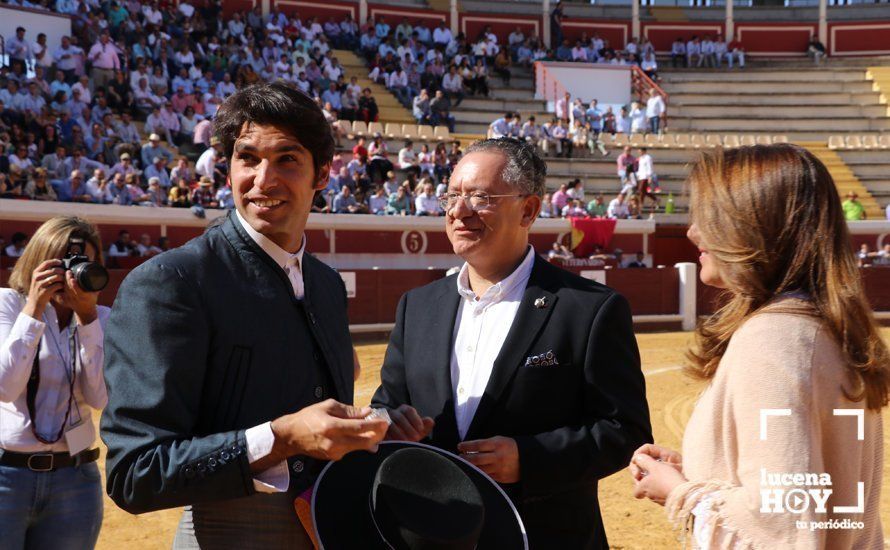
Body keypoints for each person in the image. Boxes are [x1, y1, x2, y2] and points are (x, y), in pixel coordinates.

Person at [100, 82, 389, 548]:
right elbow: (136, 472)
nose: (263, 179)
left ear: (322, 175)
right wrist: (281, 438)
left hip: (331, 525)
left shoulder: (327, 285)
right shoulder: (172, 282)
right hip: (226, 534)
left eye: (287, 159)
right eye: (247, 158)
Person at [371, 138, 652, 547]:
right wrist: (390, 422)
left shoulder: (589, 309)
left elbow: (625, 431)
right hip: (434, 534)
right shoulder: (418, 306)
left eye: (481, 197)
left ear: (529, 210)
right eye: (453, 195)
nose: (459, 210)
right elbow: (389, 402)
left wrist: (530, 458)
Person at [630, 144, 888, 549]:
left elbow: (781, 529)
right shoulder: (824, 328)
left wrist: (679, 493)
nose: (693, 232)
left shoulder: (773, 340)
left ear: (752, 227)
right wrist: (700, 471)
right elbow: (813, 484)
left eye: (710, 217)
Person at [0, 217, 109, 548]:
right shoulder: (8, 304)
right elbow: (5, 387)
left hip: (74, 479)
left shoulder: (101, 317)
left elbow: (99, 398)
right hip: (6, 475)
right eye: (65, 262)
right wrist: (33, 309)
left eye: (82, 262)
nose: (72, 271)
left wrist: (88, 320)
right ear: (39, 260)